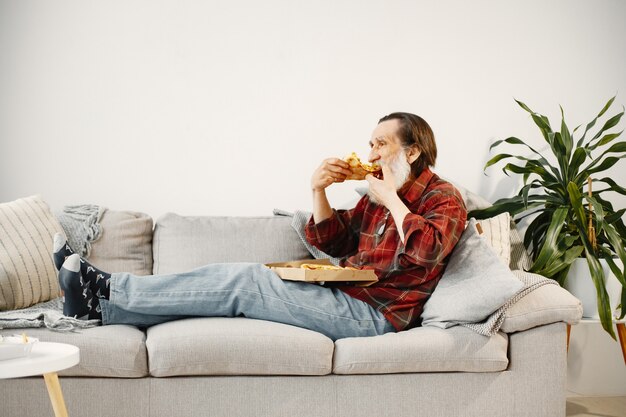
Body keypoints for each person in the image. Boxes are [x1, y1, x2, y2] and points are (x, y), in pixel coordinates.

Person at [55, 112, 467, 341]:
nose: (371, 152)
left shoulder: (443, 198)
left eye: (382, 143)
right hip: (346, 293)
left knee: (244, 283)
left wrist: (392, 197)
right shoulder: (375, 194)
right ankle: (99, 306)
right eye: (371, 142)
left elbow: (424, 251)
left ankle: (108, 287)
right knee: (233, 277)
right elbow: (337, 243)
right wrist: (318, 190)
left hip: (375, 315)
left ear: (412, 151)